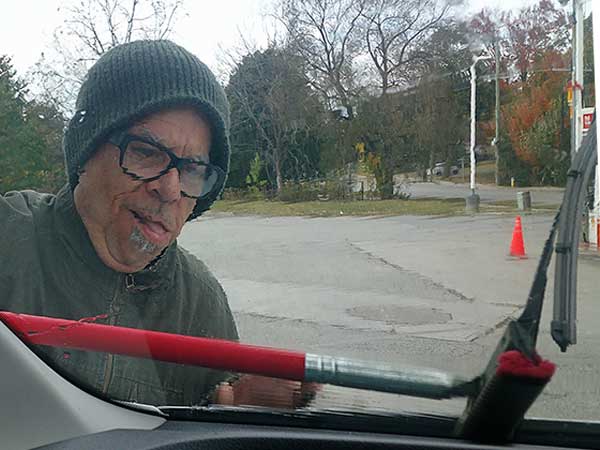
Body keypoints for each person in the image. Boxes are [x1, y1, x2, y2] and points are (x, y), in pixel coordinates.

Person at [0, 39, 314, 407]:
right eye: (147, 153)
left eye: (193, 169)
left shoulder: (199, 300)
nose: (170, 189)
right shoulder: (10, 238)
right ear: (86, 152)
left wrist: (234, 402)